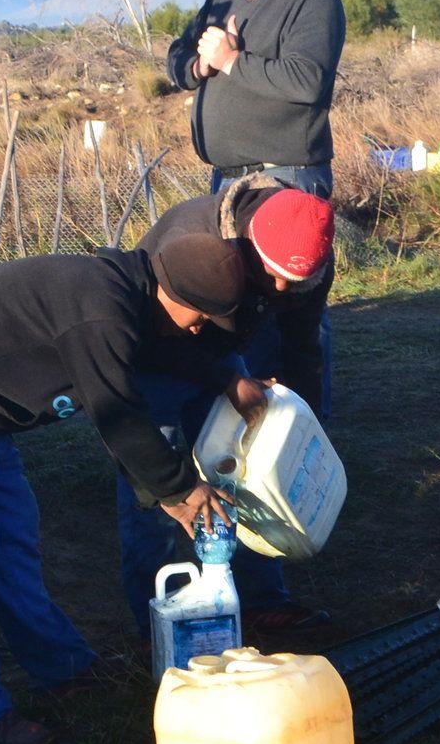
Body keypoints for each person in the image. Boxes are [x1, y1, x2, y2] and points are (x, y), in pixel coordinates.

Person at [0, 235, 265, 744]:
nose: (198, 331)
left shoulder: (135, 292)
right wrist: (179, 489)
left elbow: (163, 349)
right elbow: (119, 414)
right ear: (171, 291)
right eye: (198, 319)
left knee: (15, 548)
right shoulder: (101, 314)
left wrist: (226, 380)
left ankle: (59, 669)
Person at [116, 181, 336, 639]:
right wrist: (227, 381)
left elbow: (303, 342)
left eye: (292, 283)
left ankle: (259, 602)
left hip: (223, 354)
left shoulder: (310, 261)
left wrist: (302, 422)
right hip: (154, 355)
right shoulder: (190, 242)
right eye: (272, 273)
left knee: (246, 470)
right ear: (251, 240)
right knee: (155, 490)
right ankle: (152, 624)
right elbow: (151, 338)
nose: (280, 288)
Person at [164, 0, 347, 203]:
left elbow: (307, 80)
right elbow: (176, 57)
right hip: (226, 178)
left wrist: (230, 60)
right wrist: (201, 66)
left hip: (285, 178)